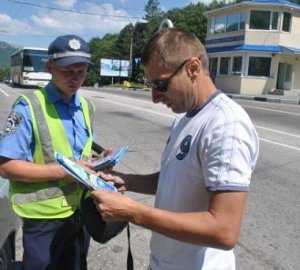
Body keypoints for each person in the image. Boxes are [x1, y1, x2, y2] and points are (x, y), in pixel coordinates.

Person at [91, 28, 260, 270]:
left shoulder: (226, 125)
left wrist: (133, 212)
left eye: (160, 85)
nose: (154, 97)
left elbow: (224, 230)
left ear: (192, 68)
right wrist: (126, 180)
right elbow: (176, 179)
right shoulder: (186, 119)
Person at [0, 34, 95, 270]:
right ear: (49, 67)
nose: (75, 78)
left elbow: (79, 154)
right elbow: (6, 166)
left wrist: (98, 161)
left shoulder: (85, 106)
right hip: (43, 219)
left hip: (80, 213)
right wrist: (65, 171)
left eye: (81, 71)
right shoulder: (28, 106)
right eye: (67, 71)